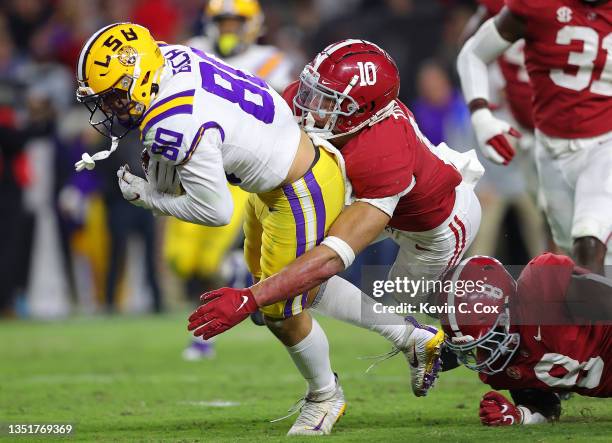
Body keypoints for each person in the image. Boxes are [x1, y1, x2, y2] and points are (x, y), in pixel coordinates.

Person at [74, 24, 440, 436]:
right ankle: (410, 336)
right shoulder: (171, 56)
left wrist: (151, 198)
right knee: (285, 286)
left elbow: (213, 211)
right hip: (277, 176)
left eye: (113, 95)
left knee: (279, 309)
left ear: (139, 76)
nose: (110, 107)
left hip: (297, 189)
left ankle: (325, 396)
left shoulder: (169, 121)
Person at [187, 39, 484, 384]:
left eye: (329, 101)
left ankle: (505, 317)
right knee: (298, 276)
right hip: (373, 197)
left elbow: (332, 258)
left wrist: (254, 298)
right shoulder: (317, 101)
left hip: (435, 226)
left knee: (406, 302)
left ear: (364, 112)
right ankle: (417, 339)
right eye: (314, 91)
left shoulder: (383, 152)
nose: (310, 107)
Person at [176, 0, 296, 359]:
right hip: (196, 167)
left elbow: (282, 115)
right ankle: (239, 291)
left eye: (235, 21)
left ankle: (206, 334)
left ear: (253, 23)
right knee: (182, 259)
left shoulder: (272, 60)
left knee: (222, 258)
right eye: (222, 21)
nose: (228, 29)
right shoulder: (191, 51)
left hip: (241, 172)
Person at [456, 0, 612, 274]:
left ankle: (585, 313)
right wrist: (482, 115)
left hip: (605, 142)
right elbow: (472, 52)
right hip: (545, 143)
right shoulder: (535, 5)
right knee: (571, 249)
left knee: (589, 238)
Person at [437, 253, 612, 426]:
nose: (485, 352)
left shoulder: (541, 289)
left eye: (489, 338)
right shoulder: (500, 367)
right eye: (476, 346)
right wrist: (519, 416)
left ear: (507, 311)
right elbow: (546, 408)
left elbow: (606, 299)